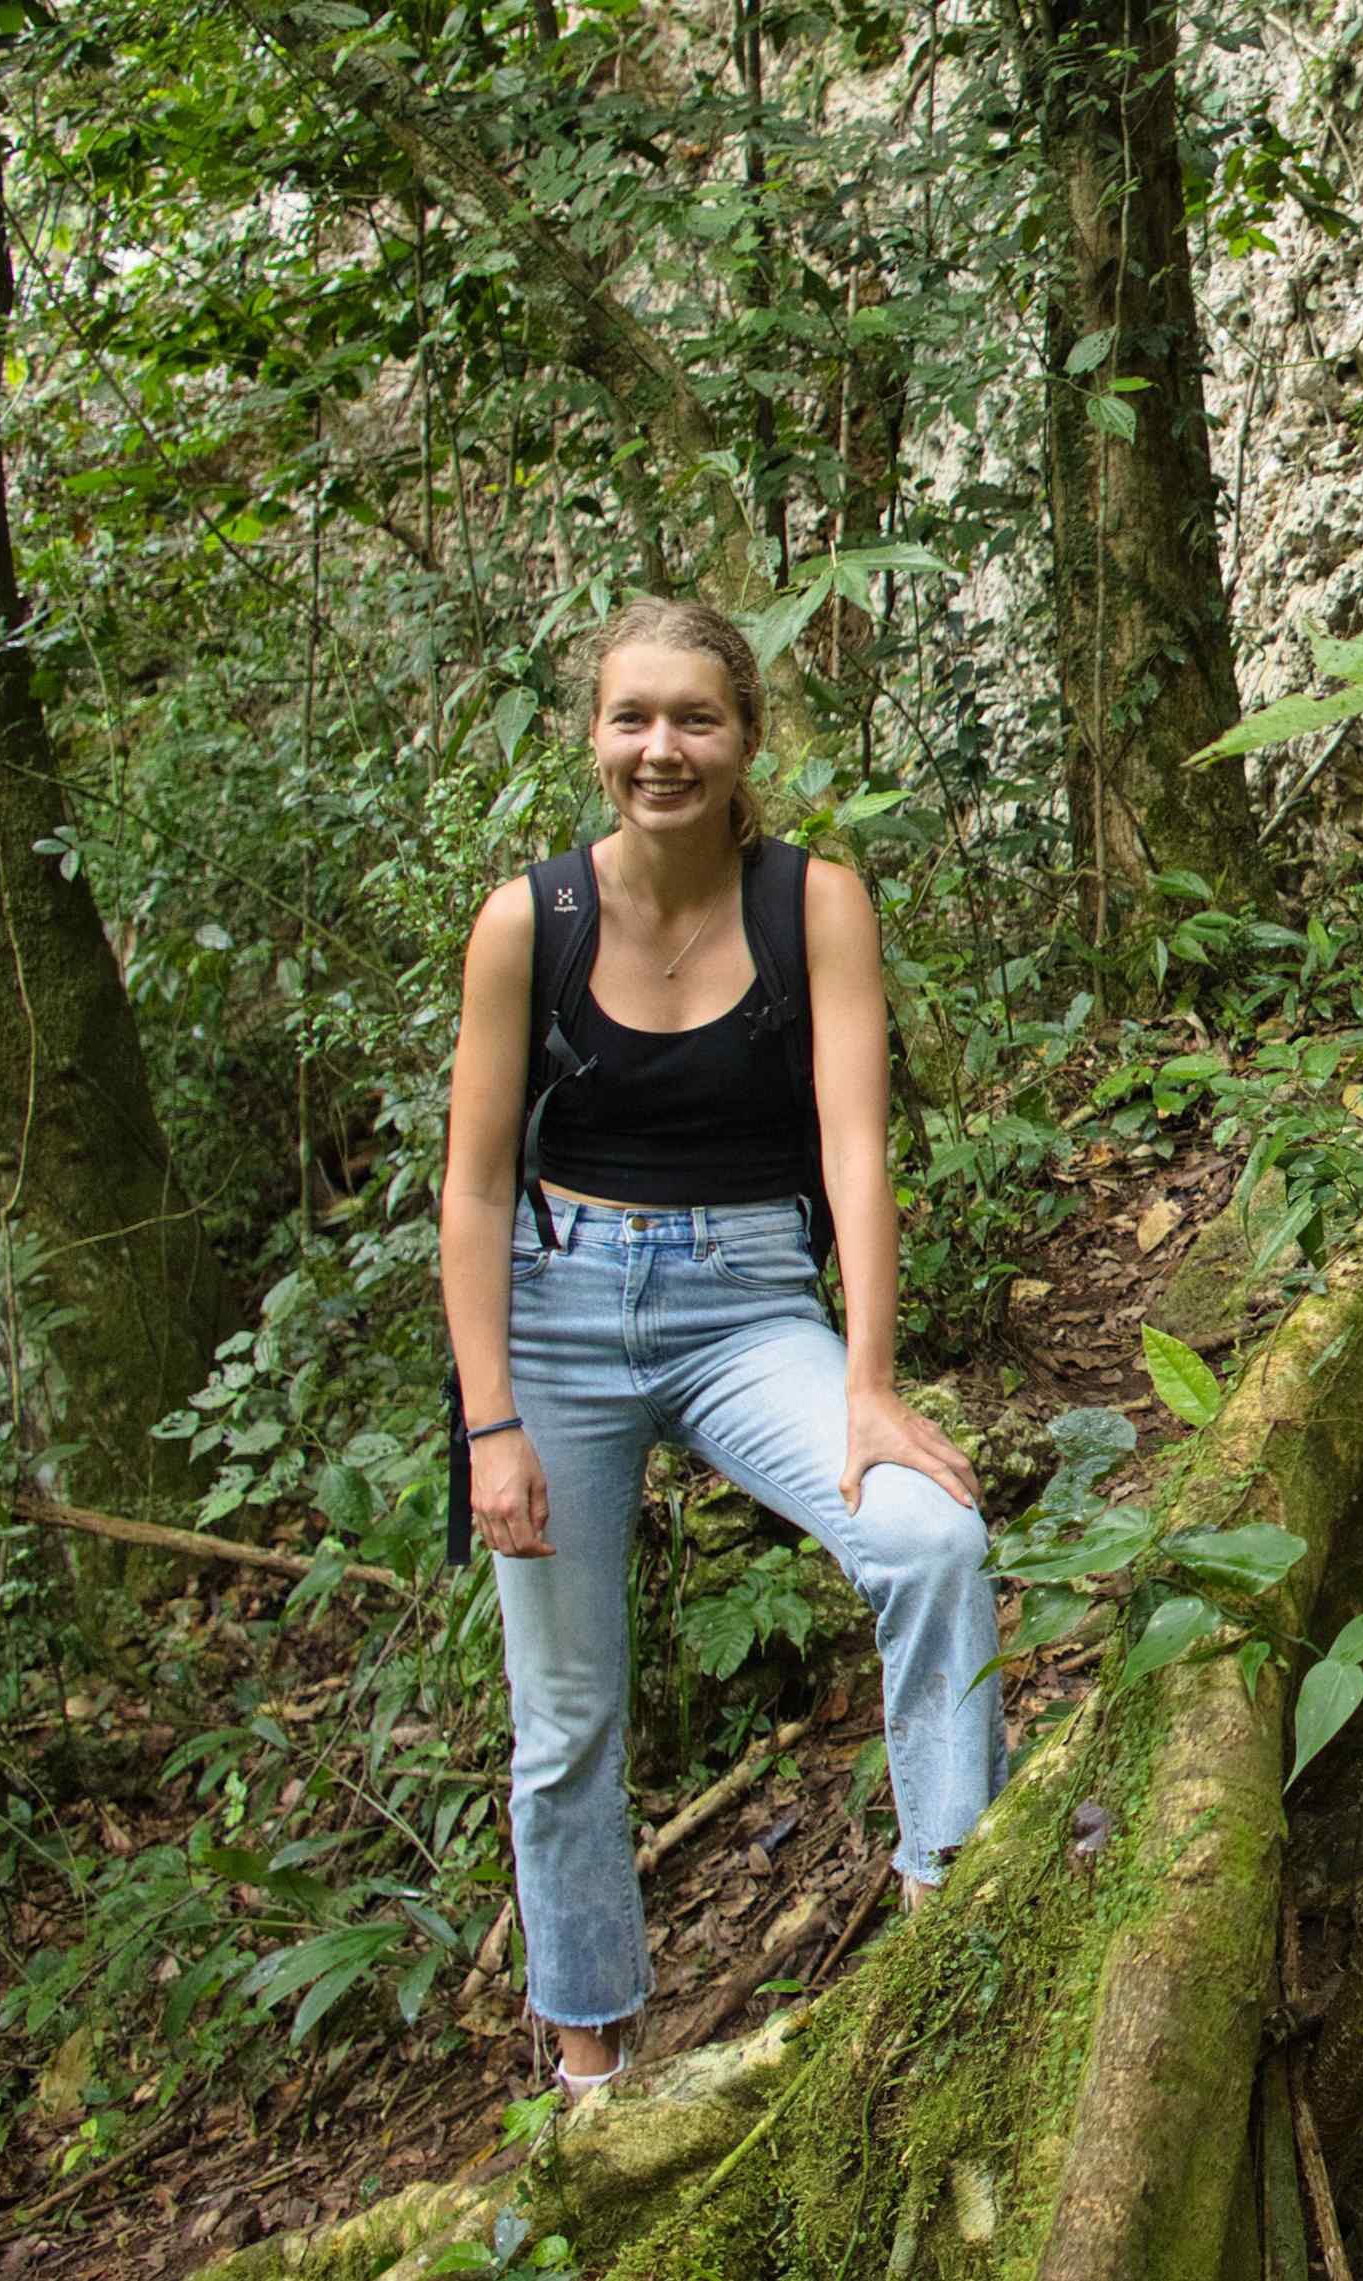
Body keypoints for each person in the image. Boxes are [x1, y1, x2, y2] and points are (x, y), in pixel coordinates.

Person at [438, 596, 1004, 2099]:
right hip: (557, 1313)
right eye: (632, 717)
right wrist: (490, 1423)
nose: (662, 749)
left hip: (748, 1301)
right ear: (592, 737)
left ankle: (953, 1926)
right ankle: (592, 2073)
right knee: (564, 1718)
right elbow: (475, 1186)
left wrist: (868, 1384)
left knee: (931, 1540)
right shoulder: (531, 921)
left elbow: (857, 1150)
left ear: (747, 738)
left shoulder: (812, 902)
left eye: (695, 718)